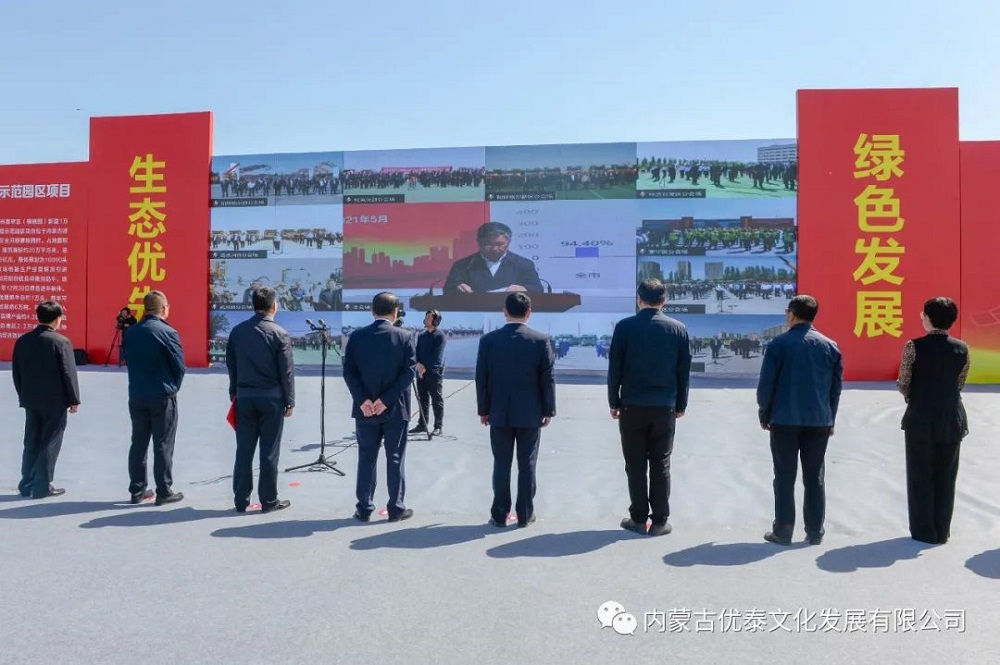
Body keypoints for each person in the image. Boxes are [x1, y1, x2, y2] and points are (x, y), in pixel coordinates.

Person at [757, 295, 842, 546]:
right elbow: (835, 389)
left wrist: (764, 413)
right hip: (818, 420)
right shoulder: (830, 346)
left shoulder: (778, 344)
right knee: (814, 477)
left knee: (784, 476)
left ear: (792, 314)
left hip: (784, 419)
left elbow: (766, 385)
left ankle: (783, 531)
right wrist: (830, 418)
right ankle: (815, 532)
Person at [607, 279, 691, 537]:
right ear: (664, 300)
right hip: (664, 407)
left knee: (635, 464)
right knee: (661, 463)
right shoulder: (678, 329)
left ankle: (638, 517)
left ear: (639, 299)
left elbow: (615, 368)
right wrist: (680, 404)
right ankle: (660, 521)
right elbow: (683, 372)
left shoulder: (624, 327)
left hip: (631, 406)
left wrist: (613, 401)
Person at [476, 292, 556, 528]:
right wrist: (548, 410)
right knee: (527, 463)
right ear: (529, 313)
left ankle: (499, 514)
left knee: (501, 463)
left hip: (499, 412)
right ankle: (525, 514)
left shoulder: (489, 340)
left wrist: (483, 409)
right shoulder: (540, 340)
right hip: (530, 413)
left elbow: (482, 378)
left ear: (504, 311)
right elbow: (547, 379)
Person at [896, 297, 971, 545]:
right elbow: (960, 382)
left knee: (920, 473)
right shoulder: (962, 348)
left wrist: (914, 396)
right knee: (946, 474)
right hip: (951, 415)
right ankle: (942, 530)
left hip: (920, 416)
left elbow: (904, 382)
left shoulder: (913, 346)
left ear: (928, 318)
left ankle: (923, 530)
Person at [343, 292, 417, 523]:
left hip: (365, 410)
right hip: (395, 409)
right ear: (396, 312)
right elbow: (409, 373)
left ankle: (364, 508)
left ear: (372, 310)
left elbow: (349, 372)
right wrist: (385, 400)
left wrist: (363, 400)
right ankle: (396, 508)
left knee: (366, 457)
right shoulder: (405, 337)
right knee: (395, 457)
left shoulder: (357, 336)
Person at [226, 286, 295, 513]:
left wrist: (234, 391)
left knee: (243, 450)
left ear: (253, 305)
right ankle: (268, 501)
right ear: (274, 306)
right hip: (272, 399)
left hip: (244, 397)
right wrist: (290, 401)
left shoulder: (237, 332)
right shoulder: (280, 333)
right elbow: (286, 372)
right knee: (269, 452)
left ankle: (240, 500)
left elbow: (231, 364)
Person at [123, 291, 186, 505]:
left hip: (137, 394)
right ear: (164, 309)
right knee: (163, 443)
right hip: (162, 395)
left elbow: (127, 359)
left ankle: (137, 490)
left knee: (138, 443)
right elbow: (179, 367)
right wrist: (173, 388)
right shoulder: (168, 332)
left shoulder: (131, 332)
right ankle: (164, 491)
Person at [12, 300, 80, 499]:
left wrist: (23, 394)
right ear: (57, 319)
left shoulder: (23, 341)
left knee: (31, 441)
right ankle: (42, 486)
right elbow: (68, 374)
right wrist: (74, 399)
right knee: (50, 441)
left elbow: (17, 372)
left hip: (30, 399)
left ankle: (27, 483)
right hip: (55, 401)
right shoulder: (61, 342)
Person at [443, 222, 544, 294]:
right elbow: (448, 289)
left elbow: (538, 289)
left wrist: (522, 288)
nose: (494, 249)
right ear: (479, 242)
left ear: (508, 242)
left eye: (500, 244)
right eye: (489, 244)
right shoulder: (462, 265)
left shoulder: (523, 264)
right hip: (475, 313)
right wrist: (457, 287)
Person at [411, 309, 446, 436]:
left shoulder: (440, 336)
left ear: (436, 320)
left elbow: (435, 356)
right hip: (421, 373)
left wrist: (423, 368)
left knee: (436, 399)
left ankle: (438, 427)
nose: (426, 320)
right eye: (425, 317)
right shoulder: (421, 335)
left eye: (429, 318)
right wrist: (418, 365)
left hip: (434, 373)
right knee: (422, 399)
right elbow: (417, 352)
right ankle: (422, 424)